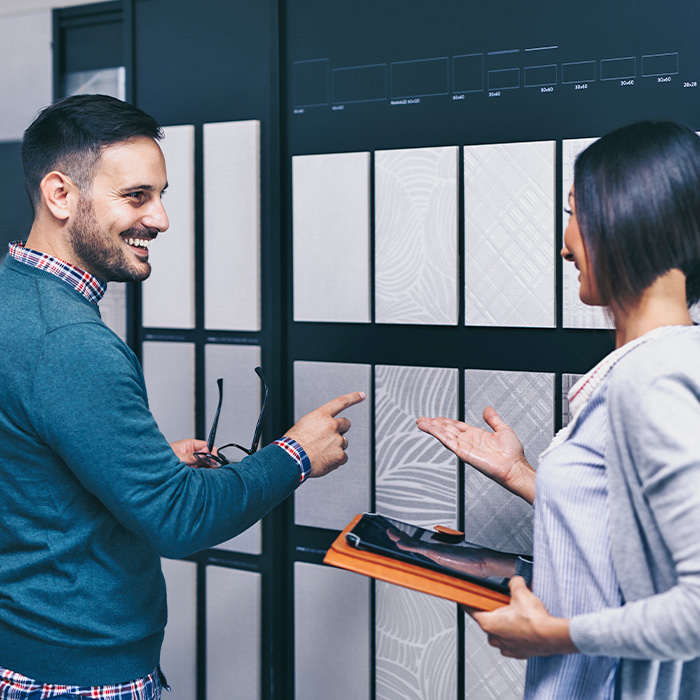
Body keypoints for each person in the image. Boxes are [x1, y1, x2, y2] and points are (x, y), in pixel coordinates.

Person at [0, 94, 364, 698]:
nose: (161, 220)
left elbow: (26, 469)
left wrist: (141, 465)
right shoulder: (68, 341)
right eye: (136, 196)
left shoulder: (15, 299)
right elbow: (177, 519)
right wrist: (296, 455)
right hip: (72, 674)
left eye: (161, 195)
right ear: (60, 194)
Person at [417, 120, 700, 699]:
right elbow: (630, 530)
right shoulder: (668, 360)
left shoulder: (654, 377)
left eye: (575, 212)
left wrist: (552, 634)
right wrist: (519, 474)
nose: (565, 242)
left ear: (628, 216)